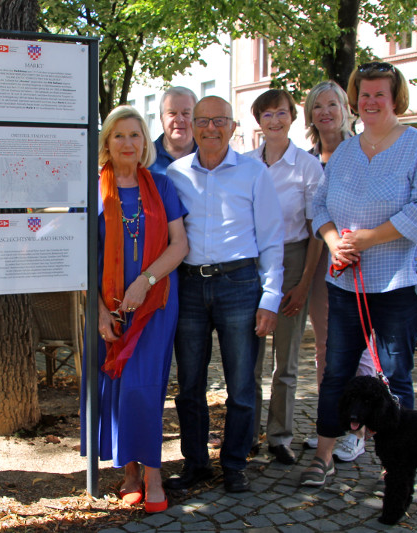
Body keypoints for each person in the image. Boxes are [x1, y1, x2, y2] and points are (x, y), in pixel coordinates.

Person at [301, 62, 417, 487]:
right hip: (345, 283)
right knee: (336, 372)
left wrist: (366, 239)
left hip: (400, 282)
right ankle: (323, 457)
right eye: (364, 95)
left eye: (379, 94)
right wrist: (334, 243)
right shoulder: (345, 151)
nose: (370, 102)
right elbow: (320, 207)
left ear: (395, 98)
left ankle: (398, 461)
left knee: (395, 373)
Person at [165, 96, 284, 493]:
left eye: (219, 121)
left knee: (241, 384)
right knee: (191, 385)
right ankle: (196, 463)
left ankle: (234, 464)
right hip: (190, 286)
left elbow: (271, 241)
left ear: (233, 127)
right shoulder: (176, 174)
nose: (210, 128)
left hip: (240, 285)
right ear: (193, 126)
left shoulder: (254, 173)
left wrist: (270, 299)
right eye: (203, 121)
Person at [80, 105, 188, 513]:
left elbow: (179, 244)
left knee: (145, 386)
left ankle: (154, 472)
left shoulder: (163, 185)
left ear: (146, 142)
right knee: (116, 385)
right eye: (120, 135)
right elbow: (85, 256)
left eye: (136, 135)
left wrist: (145, 281)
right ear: (107, 142)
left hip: (156, 302)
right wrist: (99, 310)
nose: (128, 142)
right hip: (107, 306)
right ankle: (128, 473)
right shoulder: (93, 188)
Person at [244, 89, 323, 465]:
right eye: (266, 114)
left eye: (281, 113)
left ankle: (279, 436)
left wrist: (304, 282)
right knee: (250, 356)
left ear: (293, 117)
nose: (274, 121)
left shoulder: (308, 167)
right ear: (258, 121)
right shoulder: (244, 164)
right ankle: (246, 435)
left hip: (293, 258)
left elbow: (316, 231)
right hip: (253, 261)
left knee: (286, 360)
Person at [303, 80, 375, 462]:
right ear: (310, 114)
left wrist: (354, 242)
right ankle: (329, 425)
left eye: (332, 104)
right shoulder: (309, 158)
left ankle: (356, 430)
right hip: (320, 264)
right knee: (326, 349)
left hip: (358, 261)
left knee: (359, 347)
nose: (325, 112)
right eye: (318, 106)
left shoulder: (363, 150)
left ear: (346, 109)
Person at [148, 86, 198, 176]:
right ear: (161, 118)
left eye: (186, 113)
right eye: (172, 113)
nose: (179, 119)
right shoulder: (145, 157)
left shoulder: (207, 157)